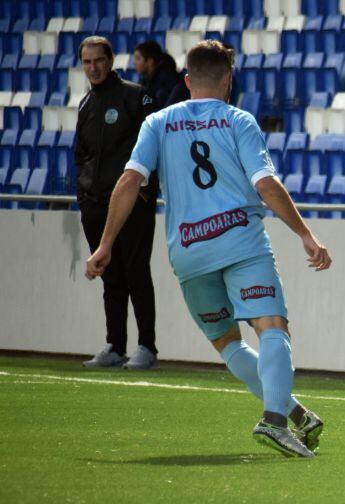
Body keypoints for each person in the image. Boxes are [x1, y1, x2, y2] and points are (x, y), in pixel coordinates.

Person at [85, 40, 332, 458]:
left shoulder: (158, 122)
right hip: (240, 243)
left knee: (229, 344)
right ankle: (272, 421)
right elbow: (265, 185)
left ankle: (295, 415)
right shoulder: (239, 121)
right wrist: (306, 234)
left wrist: (105, 243)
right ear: (227, 80)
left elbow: (128, 182)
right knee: (271, 329)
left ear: (186, 81)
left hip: (188, 252)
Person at [76, 37, 159, 371]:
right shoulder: (85, 104)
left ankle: (146, 346)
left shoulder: (135, 96)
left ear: (111, 60)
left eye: (98, 60)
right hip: (94, 203)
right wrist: (84, 194)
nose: (93, 67)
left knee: (137, 271)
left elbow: (153, 147)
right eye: (86, 62)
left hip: (131, 201)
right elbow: (81, 155)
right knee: (109, 274)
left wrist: (143, 191)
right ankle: (115, 345)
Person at [133, 41, 188, 110]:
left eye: (138, 58)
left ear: (150, 61)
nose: (134, 62)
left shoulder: (168, 77)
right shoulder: (145, 78)